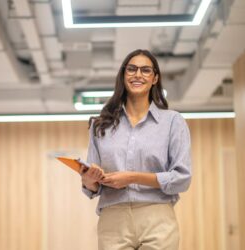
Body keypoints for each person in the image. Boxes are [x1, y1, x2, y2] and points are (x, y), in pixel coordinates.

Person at [80, 49, 192, 250]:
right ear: (123, 75)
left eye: (145, 70)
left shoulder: (173, 122)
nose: (137, 74)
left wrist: (132, 177)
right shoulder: (101, 125)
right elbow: (93, 183)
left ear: (155, 78)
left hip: (157, 217)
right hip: (113, 220)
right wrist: (89, 182)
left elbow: (182, 178)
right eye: (131, 69)